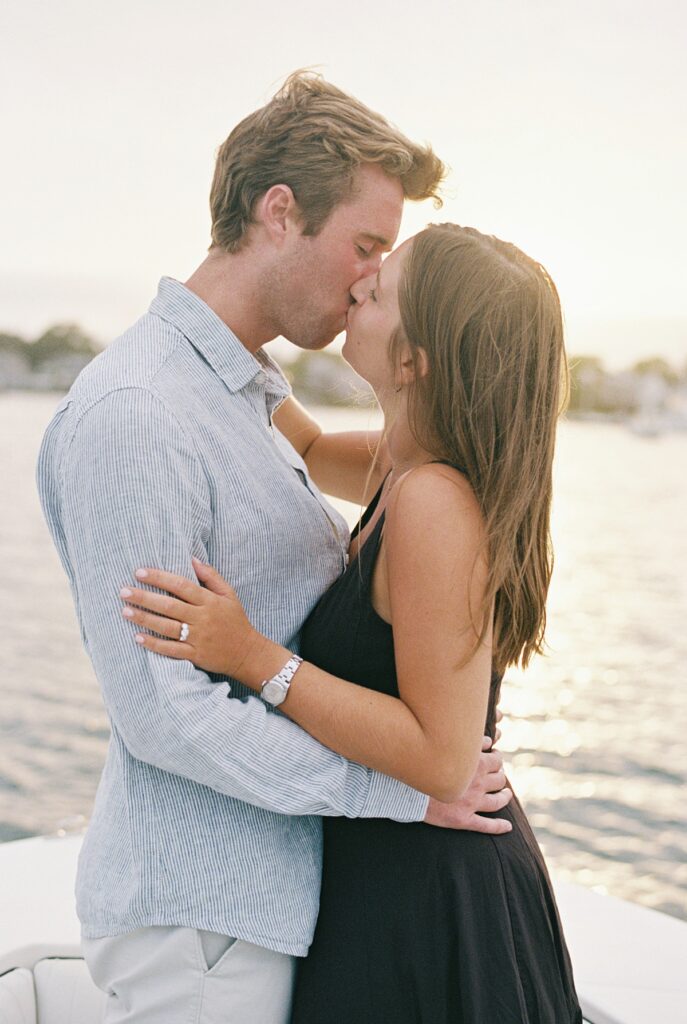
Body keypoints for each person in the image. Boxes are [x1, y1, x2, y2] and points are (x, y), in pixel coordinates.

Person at [36, 74, 513, 1024]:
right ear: (280, 211)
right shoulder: (141, 414)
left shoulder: (242, 396)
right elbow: (166, 719)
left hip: (272, 907)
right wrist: (403, 793)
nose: (370, 278)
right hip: (205, 921)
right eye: (366, 245)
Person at [122, 224, 583, 1023]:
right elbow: (295, 436)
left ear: (414, 360)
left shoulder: (435, 501)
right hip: (392, 859)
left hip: (432, 885)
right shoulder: (400, 464)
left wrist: (253, 656)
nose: (360, 282)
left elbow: (441, 759)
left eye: (381, 286)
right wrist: (224, 319)